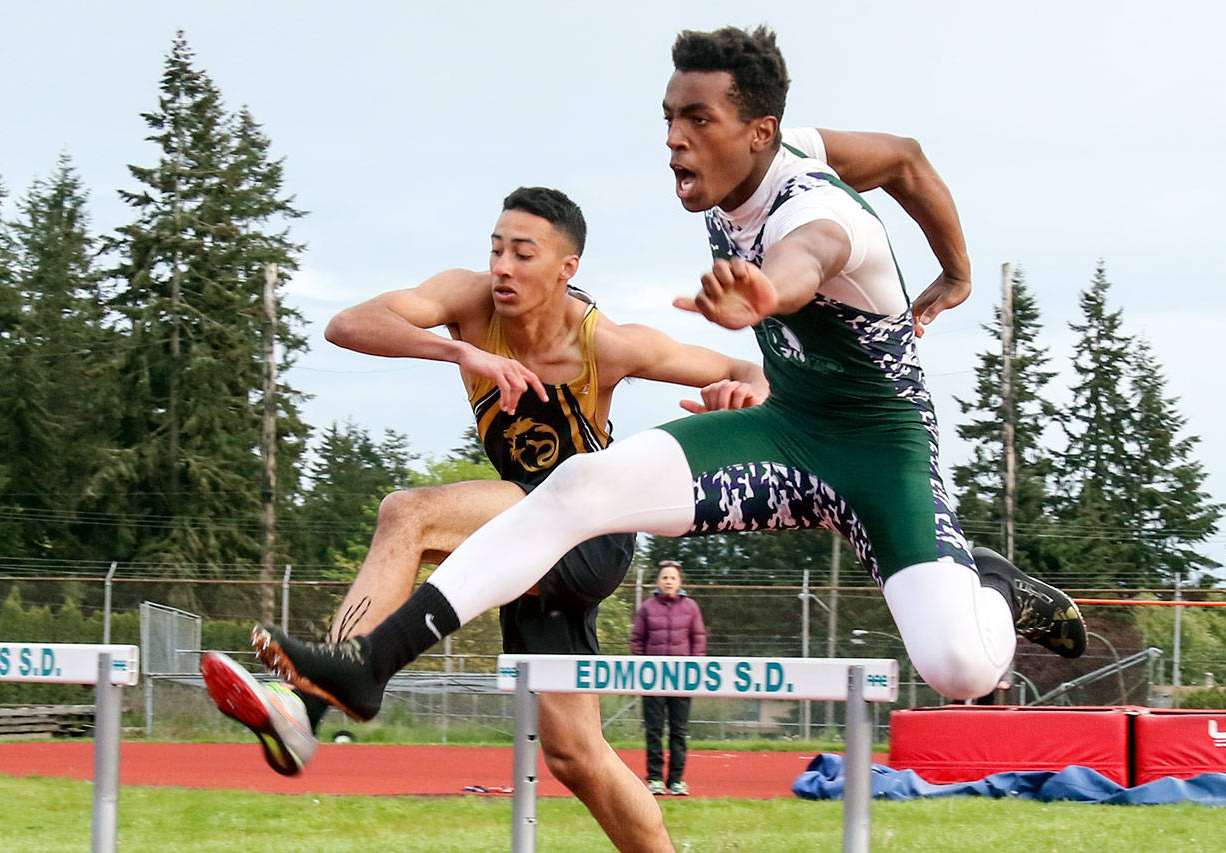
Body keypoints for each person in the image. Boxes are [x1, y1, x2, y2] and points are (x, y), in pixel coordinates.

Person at [250, 27, 1088, 753]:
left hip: (882, 453)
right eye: (669, 119)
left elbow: (813, 256)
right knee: (578, 485)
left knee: (956, 668)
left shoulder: (814, 215)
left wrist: (766, 294)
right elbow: (906, 156)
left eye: (698, 121)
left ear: (756, 132)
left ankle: (992, 585)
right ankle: (367, 666)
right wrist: (956, 270)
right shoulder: (794, 143)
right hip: (787, 434)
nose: (675, 141)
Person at [206, 185, 768, 849]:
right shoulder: (468, 303)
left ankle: (317, 695)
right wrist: (459, 352)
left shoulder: (605, 343)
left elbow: (746, 369)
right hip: (519, 539)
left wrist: (742, 391)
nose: (502, 266)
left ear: (566, 270)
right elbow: (347, 323)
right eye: (496, 248)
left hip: (592, 530)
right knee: (575, 755)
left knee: (409, 514)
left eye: (522, 254)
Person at [631, 560, 706, 796]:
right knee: (653, 730)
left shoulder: (691, 607)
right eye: (665, 577)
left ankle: (676, 780)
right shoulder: (647, 608)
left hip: (681, 679)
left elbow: (698, 639)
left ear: (679, 582)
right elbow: (637, 640)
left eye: (673, 578)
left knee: (678, 730)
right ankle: (654, 778)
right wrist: (645, 668)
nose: (669, 582)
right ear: (658, 581)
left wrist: (692, 668)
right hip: (653, 679)